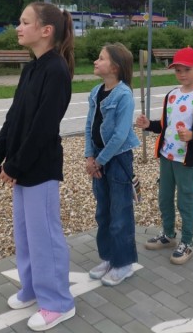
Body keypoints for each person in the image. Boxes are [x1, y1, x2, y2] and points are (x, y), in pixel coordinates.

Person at [0, 2, 75, 331]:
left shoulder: (56, 71)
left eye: (24, 22)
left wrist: (16, 165)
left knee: (45, 236)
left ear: (46, 30)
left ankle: (58, 302)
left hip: (40, 168)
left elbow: (43, 128)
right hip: (22, 168)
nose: (18, 27)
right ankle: (33, 288)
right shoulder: (31, 69)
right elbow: (15, 117)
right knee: (25, 235)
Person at [136, 47, 193, 265]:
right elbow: (166, 125)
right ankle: (169, 235)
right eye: (178, 70)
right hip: (167, 156)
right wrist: (149, 124)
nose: (182, 74)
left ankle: (187, 241)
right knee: (164, 197)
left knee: (185, 199)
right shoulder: (172, 95)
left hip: (186, 160)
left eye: (187, 69)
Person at [85, 43, 140, 286]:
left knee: (120, 212)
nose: (96, 62)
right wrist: (89, 157)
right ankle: (109, 258)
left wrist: (99, 161)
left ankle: (124, 262)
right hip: (98, 158)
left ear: (115, 67)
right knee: (103, 211)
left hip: (117, 159)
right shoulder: (96, 92)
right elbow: (89, 126)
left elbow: (120, 135)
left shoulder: (123, 95)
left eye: (101, 58)